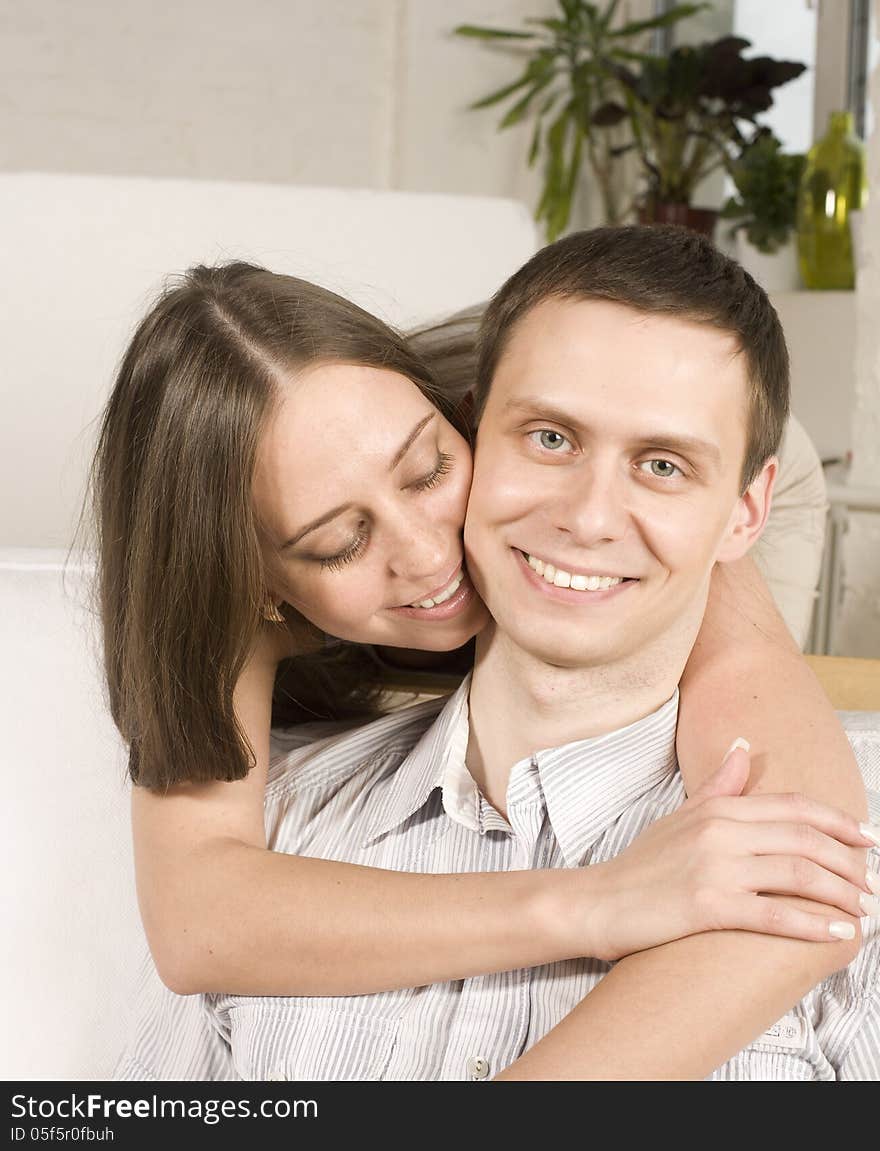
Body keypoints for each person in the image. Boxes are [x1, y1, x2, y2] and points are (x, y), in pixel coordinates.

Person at [113, 226, 879, 1081]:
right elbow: (196, 920)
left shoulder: (577, 400)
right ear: (264, 588)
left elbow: (810, 832)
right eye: (338, 543)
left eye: (430, 471)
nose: (431, 555)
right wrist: (595, 903)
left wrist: (817, 850)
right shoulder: (283, 785)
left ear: (459, 419)